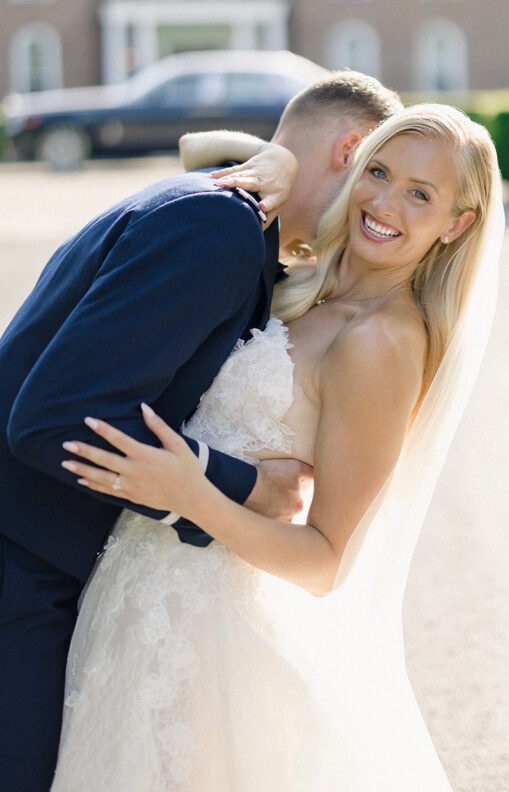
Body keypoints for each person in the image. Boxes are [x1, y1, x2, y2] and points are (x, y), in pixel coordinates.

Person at [52, 103, 505, 790]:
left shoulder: (381, 341)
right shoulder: (307, 281)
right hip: (136, 601)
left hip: (212, 640)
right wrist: (277, 162)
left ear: (456, 225)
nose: (384, 203)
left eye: (420, 194)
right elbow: (206, 146)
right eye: (376, 172)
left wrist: (191, 495)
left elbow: (324, 561)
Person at [0, 70, 401, 792]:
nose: (376, 204)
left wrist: (278, 162)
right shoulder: (215, 225)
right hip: (19, 569)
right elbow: (55, 420)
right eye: (377, 172)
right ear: (348, 150)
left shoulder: (224, 211)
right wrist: (248, 487)